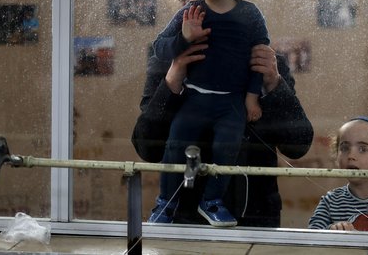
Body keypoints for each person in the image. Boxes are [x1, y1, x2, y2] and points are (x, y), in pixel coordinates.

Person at [145, 0, 279, 227]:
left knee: (226, 148)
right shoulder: (189, 13)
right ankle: (166, 202)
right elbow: (160, 49)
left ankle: (212, 200)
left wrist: (251, 97)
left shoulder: (250, 14)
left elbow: (260, 57)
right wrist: (184, 38)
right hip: (193, 99)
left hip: (231, 102)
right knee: (175, 145)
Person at [134, 43, 313, 227]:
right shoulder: (169, 60)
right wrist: (172, 81)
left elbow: (298, 145)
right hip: (187, 219)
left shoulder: (265, 61)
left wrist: (273, 83)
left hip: (256, 218)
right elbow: (147, 148)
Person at [308, 116, 368, 232]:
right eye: (344, 148)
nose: (351, 156)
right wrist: (331, 230)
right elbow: (312, 235)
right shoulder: (331, 200)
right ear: (336, 157)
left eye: (362, 149)